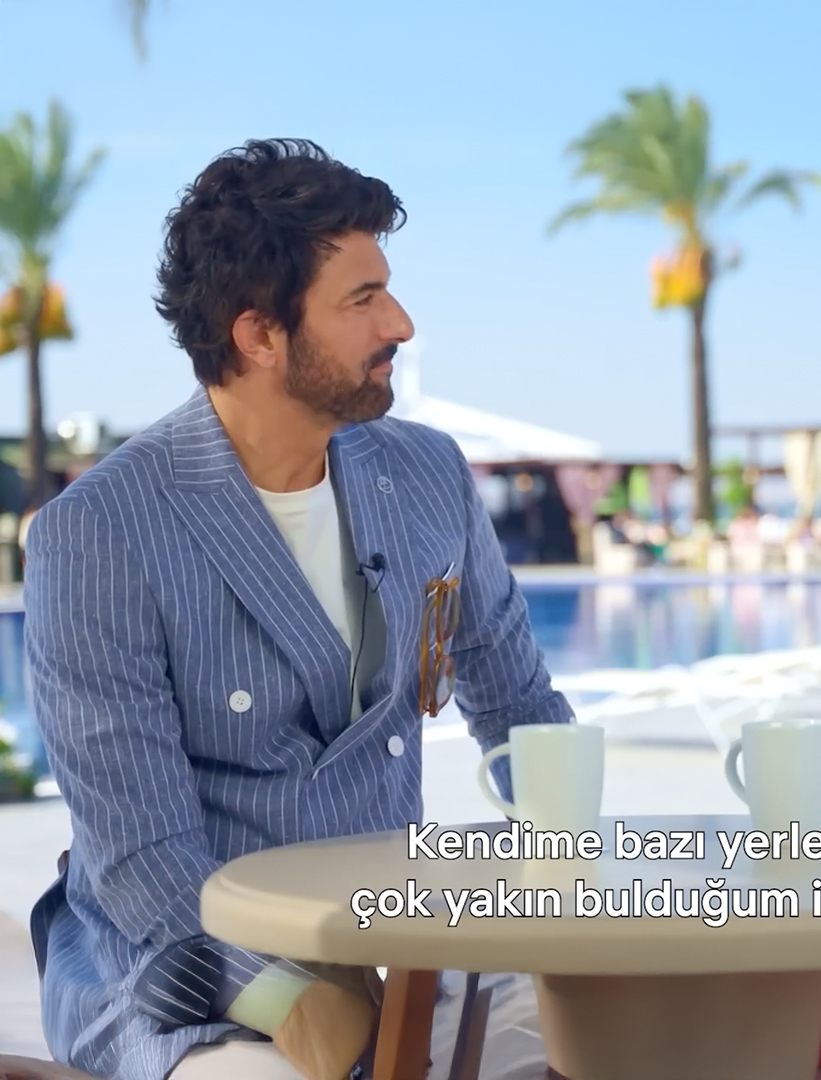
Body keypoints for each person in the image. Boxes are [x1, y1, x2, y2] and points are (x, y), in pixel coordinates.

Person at [23, 139, 574, 1080]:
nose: (400, 323)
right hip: (185, 974)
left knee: (618, 1038)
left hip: (394, 946)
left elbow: (520, 708)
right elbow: (143, 855)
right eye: (362, 300)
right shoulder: (101, 531)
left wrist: (576, 879)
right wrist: (285, 1001)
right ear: (258, 335)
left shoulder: (427, 472)